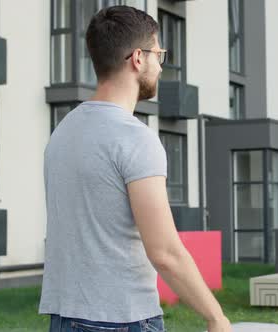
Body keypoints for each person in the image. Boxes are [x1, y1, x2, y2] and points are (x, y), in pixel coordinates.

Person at [39, 6, 231, 332]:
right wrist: (217, 318)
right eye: (158, 54)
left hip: (65, 317)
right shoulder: (134, 138)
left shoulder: (64, 131)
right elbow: (166, 252)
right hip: (121, 318)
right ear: (138, 58)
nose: (160, 65)